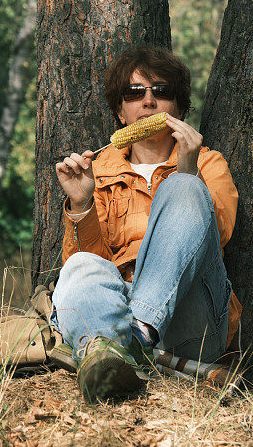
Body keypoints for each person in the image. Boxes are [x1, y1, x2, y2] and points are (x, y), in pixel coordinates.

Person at [50, 46, 241, 402]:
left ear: (179, 109)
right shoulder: (99, 171)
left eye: (162, 91)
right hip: (117, 304)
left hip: (191, 316)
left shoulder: (209, 163)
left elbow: (217, 237)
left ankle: (131, 338)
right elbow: (92, 267)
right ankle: (125, 350)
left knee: (184, 187)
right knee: (78, 265)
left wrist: (188, 170)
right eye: (135, 93)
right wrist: (81, 203)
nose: (148, 102)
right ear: (120, 113)